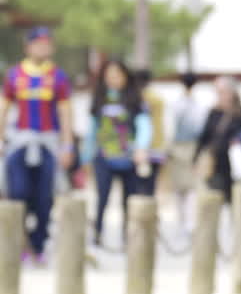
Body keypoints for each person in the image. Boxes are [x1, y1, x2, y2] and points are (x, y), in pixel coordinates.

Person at [0, 26, 74, 262]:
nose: (43, 47)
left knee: (45, 197)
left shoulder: (58, 76)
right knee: (17, 193)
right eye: (38, 43)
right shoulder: (14, 75)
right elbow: (4, 107)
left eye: (47, 43)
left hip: (47, 144)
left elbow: (65, 112)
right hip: (20, 142)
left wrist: (67, 145)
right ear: (28, 46)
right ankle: (18, 243)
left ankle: (39, 244)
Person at [82, 60, 152, 246]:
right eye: (110, 75)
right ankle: (97, 234)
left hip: (128, 157)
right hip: (104, 156)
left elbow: (144, 126)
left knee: (129, 200)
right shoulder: (100, 99)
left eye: (117, 75)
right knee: (102, 197)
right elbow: (92, 130)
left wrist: (141, 147)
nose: (113, 79)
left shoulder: (135, 99)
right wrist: (85, 157)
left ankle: (128, 237)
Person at [195, 76, 241, 203]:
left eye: (222, 92)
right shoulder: (214, 112)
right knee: (214, 193)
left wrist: (238, 140)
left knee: (235, 194)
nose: (219, 95)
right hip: (215, 159)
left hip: (234, 160)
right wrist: (196, 157)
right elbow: (204, 136)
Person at [168, 71, 206, 227]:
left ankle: (184, 220)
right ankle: (186, 221)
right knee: (187, 187)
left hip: (183, 147)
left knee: (186, 187)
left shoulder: (177, 104)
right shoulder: (197, 105)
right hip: (189, 147)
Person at [134, 68, 166, 194]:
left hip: (143, 149)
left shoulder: (142, 98)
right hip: (158, 146)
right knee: (151, 184)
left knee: (141, 185)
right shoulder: (158, 97)